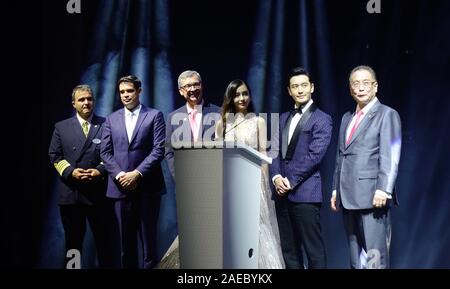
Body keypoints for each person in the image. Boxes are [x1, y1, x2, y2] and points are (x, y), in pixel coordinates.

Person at [331, 65, 402, 269]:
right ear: (350, 88)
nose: (360, 88)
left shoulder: (387, 114)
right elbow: (340, 157)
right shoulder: (347, 118)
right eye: (356, 83)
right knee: (355, 259)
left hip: (373, 197)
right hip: (347, 196)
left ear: (375, 86)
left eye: (365, 83)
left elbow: (391, 155)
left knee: (374, 258)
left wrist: (384, 189)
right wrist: (336, 189)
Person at [215, 79, 285, 269]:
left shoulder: (258, 121)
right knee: (231, 230)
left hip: (253, 183)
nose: (242, 98)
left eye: (245, 93)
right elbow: (216, 156)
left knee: (255, 229)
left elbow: (263, 155)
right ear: (230, 98)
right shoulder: (221, 123)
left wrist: (263, 185)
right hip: (228, 185)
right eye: (237, 94)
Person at [100, 75, 166, 269]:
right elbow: (105, 152)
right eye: (122, 92)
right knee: (125, 245)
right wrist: (121, 175)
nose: (126, 95)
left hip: (147, 187)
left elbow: (159, 149)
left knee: (149, 244)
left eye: (129, 91)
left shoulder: (154, 115)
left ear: (139, 91)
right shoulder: (111, 119)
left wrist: (137, 174)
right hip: (120, 188)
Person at [269, 67, 332, 269]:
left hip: (305, 193)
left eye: (304, 85)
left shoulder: (322, 119)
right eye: (295, 86)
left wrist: (290, 181)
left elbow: (314, 156)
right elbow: (274, 151)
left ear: (312, 87)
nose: (300, 90)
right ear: (289, 90)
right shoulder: (282, 118)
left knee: (313, 251)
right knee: (289, 251)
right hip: (282, 194)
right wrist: (276, 177)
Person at [48, 84, 116, 268]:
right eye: (81, 99)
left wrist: (100, 171)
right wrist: (71, 172)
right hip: (72, 194)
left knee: (105, 243)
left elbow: (112, 153)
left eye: (89, 99)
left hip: (99, 194)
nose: (86, 102)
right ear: (73, 103)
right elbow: (54, 155)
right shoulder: (61, 127)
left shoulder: (106, 124)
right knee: (73, 244)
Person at [165, 70, 221, 179]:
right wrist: (179, 176)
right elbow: (169, 152)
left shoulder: (219, 113)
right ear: (181, 91)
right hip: (185, 181)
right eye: (188, 86)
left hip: (213, 179)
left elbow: (225, 148)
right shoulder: (172, 117)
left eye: (196, 84)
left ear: (202, 86)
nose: (193, 89)